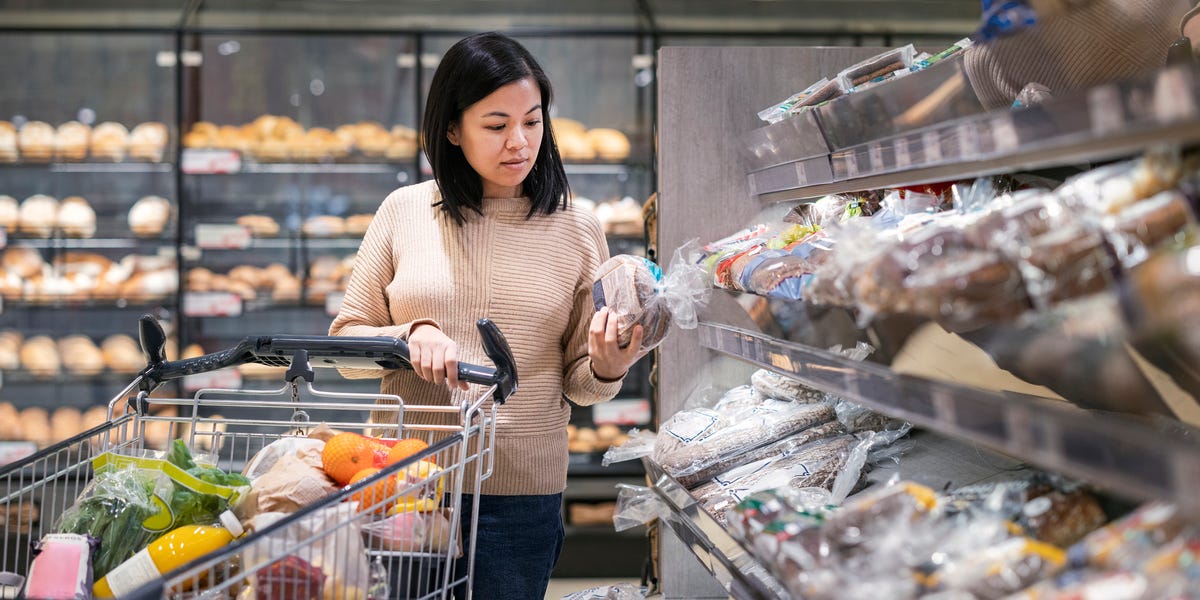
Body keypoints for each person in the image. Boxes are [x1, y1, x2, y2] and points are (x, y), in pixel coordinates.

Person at [329, 31, 644, 599]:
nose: (519, 142)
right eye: (496, 126)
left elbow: (582, 387)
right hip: (402, 481)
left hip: (519, 497)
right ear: (452, 129)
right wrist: (409, 335)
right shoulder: (405, 212)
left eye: (533, 121)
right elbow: (347, 346)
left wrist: (605, 366)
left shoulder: (577, 228)